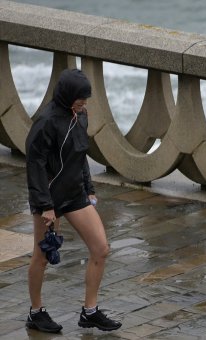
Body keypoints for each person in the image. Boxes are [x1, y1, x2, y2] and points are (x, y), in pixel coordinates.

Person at [25, 69, 122, 333]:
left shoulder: (80, 115)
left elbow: (80, 154)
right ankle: (36, 312)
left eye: (85, 100)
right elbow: (35, 165)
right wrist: (45, 206)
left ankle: (89, 312)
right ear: (67, 96)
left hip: (75, 194)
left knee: (101, 248)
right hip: (49, 200)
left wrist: (89, 188)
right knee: (42, 257)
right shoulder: (45, 122)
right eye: (80, 100)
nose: (84, 104)